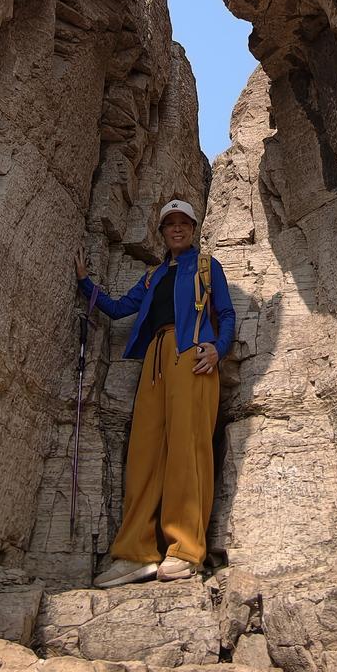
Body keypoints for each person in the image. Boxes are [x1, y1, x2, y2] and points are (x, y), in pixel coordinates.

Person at [75, 198, 235, 586]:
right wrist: (84, 283)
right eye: (169, 224)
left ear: (194, 228)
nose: (177, 229)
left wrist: (218, 348)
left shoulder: (206, 267)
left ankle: (186, 549)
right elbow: (117, 308)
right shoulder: (153, 275)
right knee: (144, 453)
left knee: (187, 449)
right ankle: (135, 552)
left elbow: (226, 314)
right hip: (155, 360)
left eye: (184, 223)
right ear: (161, 232)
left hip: (193, 357)